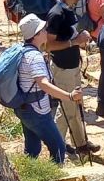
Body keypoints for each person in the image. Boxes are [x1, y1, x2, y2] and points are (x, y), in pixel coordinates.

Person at [11, 12, 85, 165]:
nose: (47, 32)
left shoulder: (24, 51)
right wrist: (70, 96)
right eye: (43, 30)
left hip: (24, 107)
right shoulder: (35, 57)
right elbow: (43, 84)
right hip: (37, 111)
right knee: (58, 147)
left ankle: (28, 179)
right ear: (36, 35)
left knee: (32, 149)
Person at [44, 0, 96, 157]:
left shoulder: (67, 10)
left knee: (76, 105)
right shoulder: (56, 14)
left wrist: (79, 38)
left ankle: (80, 143)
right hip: (63, 66)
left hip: (72, 65)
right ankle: (57, 148)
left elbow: (68, 36)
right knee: (67, 108)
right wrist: (75, 42)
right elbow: (48, 45)